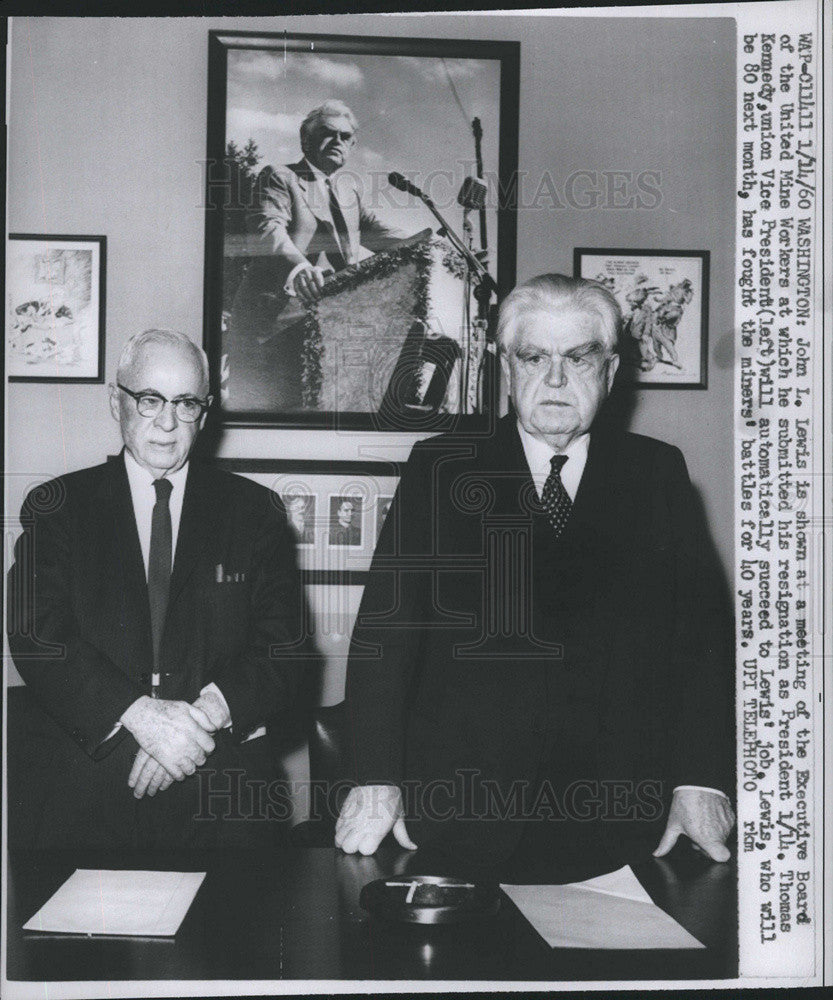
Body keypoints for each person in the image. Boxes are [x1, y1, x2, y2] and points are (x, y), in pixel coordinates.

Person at [335, 274, 735, 879]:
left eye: (578, 357)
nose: (554, 379)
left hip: (620, 821)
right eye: (533, 357)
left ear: (611, 369)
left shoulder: (657, 476)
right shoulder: (441, 471)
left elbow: (702, 645)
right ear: (505, 366)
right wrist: (375, 778)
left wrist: (700, 780)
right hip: (462, 814)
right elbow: (384, 641)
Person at [7, 329, 308, 849]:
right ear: (115, 401)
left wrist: (194, 725)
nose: (167, 422)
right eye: (149, 400)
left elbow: (287, 649)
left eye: (186, 403)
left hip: (223, 797)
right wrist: (142, 717)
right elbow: (38, 634)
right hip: (87, 797)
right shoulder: (58, 507)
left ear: (205, 413)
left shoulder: (254, 514)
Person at [227, 99, 408, 411]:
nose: (337, 141)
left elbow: (385, 236)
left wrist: (437, 243)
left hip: (323, 337)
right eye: (327, 133)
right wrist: (298, 268)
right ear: (305, 138)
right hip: (269, 331)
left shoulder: (349, 198)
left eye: (345, 137)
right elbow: (267, 228)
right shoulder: (279, 177)